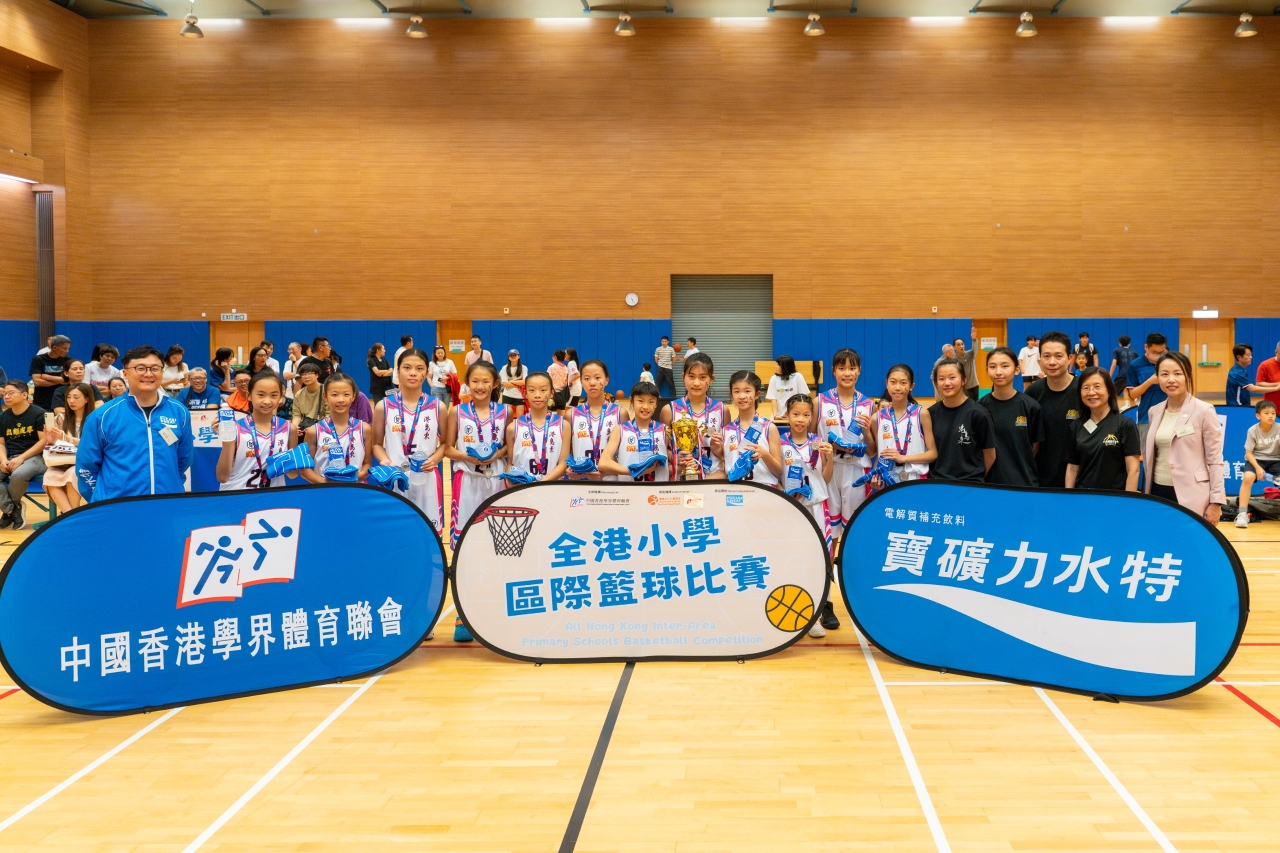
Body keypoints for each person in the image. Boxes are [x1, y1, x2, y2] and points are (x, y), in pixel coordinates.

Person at [75, 345, 194, 502]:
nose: (148, 374)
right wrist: (103, 502)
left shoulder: (179, 412)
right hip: (118, 507)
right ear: (125, 373)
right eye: (140, 368)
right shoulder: (102, 416)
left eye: (155, 368)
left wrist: (171, 486)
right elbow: (86, 468)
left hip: (167, 504)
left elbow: (184, 459)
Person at [1143, 350, 1225, 523]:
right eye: (1164, 374)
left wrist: (1216, 502)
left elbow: (1215, 460)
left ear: (1188, 376)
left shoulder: (1204, 411)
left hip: (1191, 494)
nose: (1171, 379)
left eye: (1177, 373)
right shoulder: (1154, 411)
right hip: (1157, 491)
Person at [372, 348, 447, 533]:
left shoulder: (438, 406)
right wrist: (385, 461)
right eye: (407, 367)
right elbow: (376, 445)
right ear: (398, 372)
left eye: (419, 368)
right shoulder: (383, 406)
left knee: (428, 535)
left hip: (427, 479)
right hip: (395, 478)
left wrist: (434, 459)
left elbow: (446, 444)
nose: (413, 372)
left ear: (426, 373)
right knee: (396, 534)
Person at [780, 393, 835, 637]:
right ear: (786, 415)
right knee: (794, 558)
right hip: (792, 508)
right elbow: (776, 475)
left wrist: (830, 457)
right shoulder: (779, 443)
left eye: (806, 415)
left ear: (812, 417)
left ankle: (821, 609)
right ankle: (798, 610)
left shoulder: (818, 442)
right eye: (795, 414)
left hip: (817, 506)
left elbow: (826, 479)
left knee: (821, 557)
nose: (800, 419)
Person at [444, 360, 511, 550]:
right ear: (467, 382)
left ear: (495, 383)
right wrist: (467, 457)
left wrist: (497, 455)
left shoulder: (506, 411)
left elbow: (509, 446)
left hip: (496, 478)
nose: (480, 386)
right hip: (467, 477)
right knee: (466, 533)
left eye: (485, 381)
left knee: (496, 531)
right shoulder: (457, 411)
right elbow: (448, 449)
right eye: (474, 381)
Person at [817, 348, 876, 555]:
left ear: (859, 371)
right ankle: (829, 564)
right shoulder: (820, 401)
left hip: (856, 470)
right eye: (842, 368)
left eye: (852, 368)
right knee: (830, 524)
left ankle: (848, 564)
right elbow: (811, 442)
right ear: (833, 371)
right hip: (830, 469)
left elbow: (872, 450)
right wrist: (832, 446)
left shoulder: (869, 404)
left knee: (854, 525)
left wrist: (867, 432)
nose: (847, 373)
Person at [1064, 367, 1141, 492]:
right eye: (1086, 388)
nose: (1091, 392)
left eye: (1097, 387)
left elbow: (1133, 470)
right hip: (1083, 496)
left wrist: (1127, 501)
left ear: (1109, 390)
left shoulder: (1125, 424)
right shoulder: (1076, 426)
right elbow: (1073, 467)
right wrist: (1069, 496)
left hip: (1114, 497)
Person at [217, 372, 296, 490]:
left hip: (273, 496)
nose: (267, 401)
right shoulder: (236, 427)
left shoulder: (289, 428)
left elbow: (292, 475)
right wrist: (228, 439)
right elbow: (222, 477)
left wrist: (291, 462)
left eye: (274, 395)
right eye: (261, 395)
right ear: (249, 395)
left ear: (281, 397)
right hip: (238, 495)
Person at [1025, 331, 1083, 487]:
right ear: (1040, 360)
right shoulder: (1032, 392)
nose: (1052, 362)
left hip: (1078, 478)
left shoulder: (1083, 391)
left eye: (1058, 356)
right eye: (1046, 356)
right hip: (1039, 478)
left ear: (1070, 358)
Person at [980, 347, 1043, 488]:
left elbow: (1034, 447)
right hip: (990, 485)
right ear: (987, 370)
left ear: (1017, 370)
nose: (998, 372)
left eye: (1005, 366)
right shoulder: (979, 408)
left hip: (1023, 483)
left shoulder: (1031, 406)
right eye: (992, 367)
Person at [660, 352, 724, 480]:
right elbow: (661, 449)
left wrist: (719, 449)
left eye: (702, 377)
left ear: (711, 379)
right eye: (691, 376)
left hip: (711, 477)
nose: (696, 383)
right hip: (680, 477)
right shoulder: (669, 410)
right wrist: (675, 457)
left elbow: (726, 451)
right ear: (683, 377)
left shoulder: (722, 410)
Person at [929, 358, 996, 482]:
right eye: (941, 379)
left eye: (952, 377)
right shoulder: (931, 413)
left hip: (969, 484)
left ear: (964, 380)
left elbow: (990, 454)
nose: (947, 383)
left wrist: (974, 478)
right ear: (936, 383)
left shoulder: (979, 413)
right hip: (938, 482)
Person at [302, 373, 371, 485]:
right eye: (334, 395)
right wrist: (326, 483)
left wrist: (351, 478)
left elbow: (367, 464)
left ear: (353, 396)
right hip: (325, 490)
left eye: (346, 394)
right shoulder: (314, 431)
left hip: (356, 490)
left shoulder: (364, 429)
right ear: (325, 397)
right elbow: (305, 469)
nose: (341, 399)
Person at [873, 364, 936, 487]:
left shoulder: (921, 414)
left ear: (911, 386)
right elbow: (878, 455)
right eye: (893, 382)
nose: (897, 387)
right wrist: (876, 476)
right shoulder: (876, 418)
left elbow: (933, 453)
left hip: (915, 479)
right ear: (887, 384)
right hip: (887, 481)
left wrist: (903, 458)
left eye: (903, 383)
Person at [720, 370, 783, 487]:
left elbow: (779, 472)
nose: (742, 396)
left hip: (764, 490)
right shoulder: (726, 431)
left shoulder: (769, 428)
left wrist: (765, 454)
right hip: (734, 492)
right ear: (731, 395)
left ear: (757, 394)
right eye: (737, 391)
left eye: (747, 391)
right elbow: (723, 467)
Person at [0, 380, 48, 530]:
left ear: (25, 394)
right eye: (4, 393)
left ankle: (9, 511)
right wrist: (3, 460)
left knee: (18, 474)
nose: (6, 396)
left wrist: (21, 458)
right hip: (12, 457)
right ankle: (12, 510)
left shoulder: (39, 413)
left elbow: (44, 441)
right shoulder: (4, 416)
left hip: (37, 458)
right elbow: (1, 444)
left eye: (11, 393)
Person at [42, 383, 96, 514]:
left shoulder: (95, 418)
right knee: (49, 477)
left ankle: (70, 516)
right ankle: (69, 515)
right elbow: (53, 444)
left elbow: (92, 444)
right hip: (62, 462)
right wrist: (50, 440)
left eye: (76, 397)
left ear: (87, 399)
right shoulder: (60, 418)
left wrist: (67, 438)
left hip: (86, 463)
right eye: (68, 397)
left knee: (72, 474)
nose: (71, 401)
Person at [601, 381, 669, 482]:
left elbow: (668, 465)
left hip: (658, 490)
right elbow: (603, 463)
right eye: (640, 401)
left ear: (656, 404)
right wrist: (633, 471)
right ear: (631, 401)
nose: (645, 406)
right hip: (629, 489)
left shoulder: (664, 430)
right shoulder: (620, 430)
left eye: (651, 402)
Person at [567, 360, 622, 481]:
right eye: (586, 378)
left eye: (597, 378)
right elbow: (567, 454)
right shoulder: (571, 414)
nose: (592, 383)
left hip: (611, 483)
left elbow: (624, 455)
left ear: (607, 380)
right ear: (581, 381)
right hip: (580, 483)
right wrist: (568, 469)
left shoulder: (620, 413)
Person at [508, 372, 568, 483]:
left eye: (543, 390)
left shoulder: (563, 425)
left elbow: (563, 463)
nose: (537, 395)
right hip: (522, 488)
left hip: (553, 487)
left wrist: (540, 485)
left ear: (551, 393)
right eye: (531, 390)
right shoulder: (513, 427)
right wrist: (511, 483)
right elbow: (510, 464)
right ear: (525, 394)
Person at [1236, 401, 1279, 528]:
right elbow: (1248, 453)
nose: (1270, 416)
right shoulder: (1252, 430)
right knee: (1248, 477)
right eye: (1267, 413)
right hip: (1257, 460)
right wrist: (1258, 468)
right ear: (1258, 416)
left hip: (1276, 460)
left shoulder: (1279, 428)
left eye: (1273, 413)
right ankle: (1242, 514)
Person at [1124, 332, 1169, 446]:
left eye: (1162, 352)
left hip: (1169, 416)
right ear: (1146, 347)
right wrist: (1150, 381)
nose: (1159, 356)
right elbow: (1133, 394)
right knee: (1147, 454)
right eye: (1154, 352)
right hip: (1146, 418)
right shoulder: (1135, 365)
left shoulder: (1169, 363)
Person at [30, 334, 71, 411]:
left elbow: (69, 380)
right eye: (65, 348)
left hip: (61, 401)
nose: (67, 351)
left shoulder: (68, 360)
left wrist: (46, 377)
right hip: (42, 401)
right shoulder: (38, 359)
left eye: (68, 348)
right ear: (55, 348)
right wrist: (60, 381)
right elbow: (37, 382)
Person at [291, 362, 327, 437]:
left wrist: (316, 428)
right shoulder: (299, 394)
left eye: (309, 373)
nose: (306, 376)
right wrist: (294, 428)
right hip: (305, 428)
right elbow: (297, 415)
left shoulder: (326, 391)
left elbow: (329, 415)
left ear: (317, 375)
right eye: (303, 374)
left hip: (323, 428)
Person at [499, 349, 528, 417]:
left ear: (518, 356)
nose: (513, 357)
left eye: (515, 355)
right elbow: (505, 384)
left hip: (519, 395)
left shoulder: (524, 368)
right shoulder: (505, 368)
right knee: (507, 416)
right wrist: (518, 385)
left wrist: (511, 381)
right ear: (508, 357)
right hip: (507, 395)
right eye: (511, 355)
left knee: (520, 418)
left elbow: (524, 382)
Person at [953, 330, 981, 401]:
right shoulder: (954, 359)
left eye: (962, 344)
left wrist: (974, 339)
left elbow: (975, 349)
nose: (961, 346)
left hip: (974, 384)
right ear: (954, 347)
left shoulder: (970, 354)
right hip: (963, 386)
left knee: (975, 403)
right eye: (958, 345)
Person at [1257, 341, 1280, 409]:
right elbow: (1259, 384)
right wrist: (1277, 385)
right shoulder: (1265, 365)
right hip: (1272, 408)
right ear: (1276, 352)